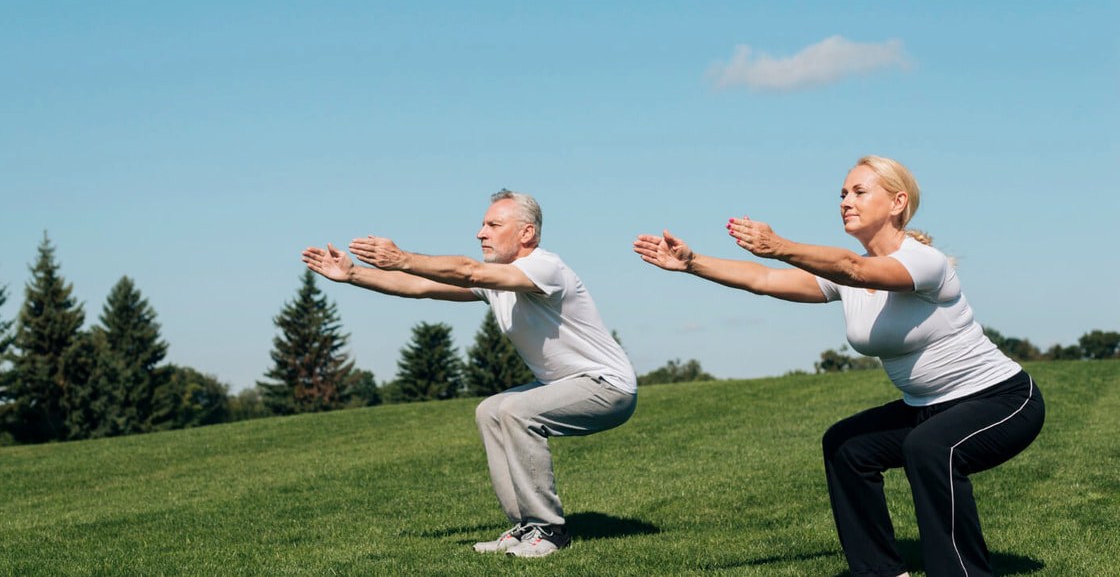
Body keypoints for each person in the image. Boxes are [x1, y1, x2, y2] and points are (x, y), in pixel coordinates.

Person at [633, 155, 1044, 577]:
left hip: (1002, 399)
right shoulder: (847, 277)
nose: (846, 202)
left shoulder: (924, 261)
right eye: (843, 194)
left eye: (859, 192)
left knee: (929, 447)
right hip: (927, 407)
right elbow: (764, 280)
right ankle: (880, 572)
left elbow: (854, 268)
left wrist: (780, 246)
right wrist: (692, 263)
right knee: (847, 445)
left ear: (898, 202)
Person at [302, 190, 637, 559]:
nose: (481, 233)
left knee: (516, 411)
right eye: (482, 225)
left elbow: (468, 270)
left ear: (526, 233)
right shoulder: (497, 284)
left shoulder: (546, 267)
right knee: (490, 410)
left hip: (608, 387)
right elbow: (421, 287)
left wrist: (402, 258)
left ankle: (549, 531)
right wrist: (353, 274)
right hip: (564, 385)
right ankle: (526, 525)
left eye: (493, 225)